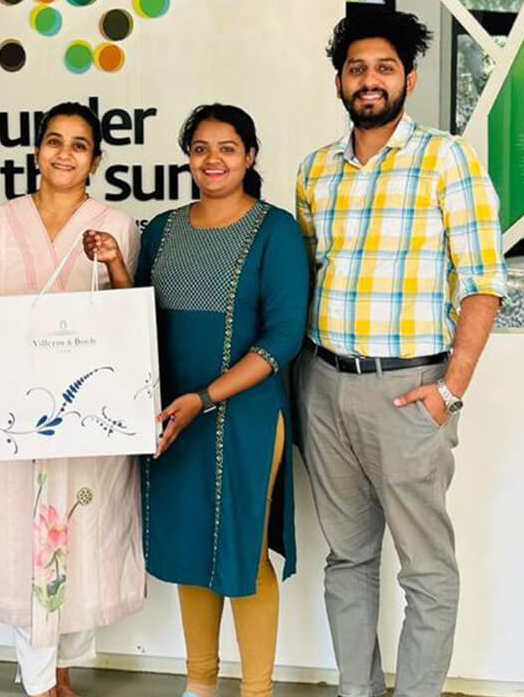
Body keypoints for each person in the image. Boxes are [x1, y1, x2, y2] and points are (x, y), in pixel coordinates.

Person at [296, 10, 508, 697]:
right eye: (357, 68)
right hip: (324, 387)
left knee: (426, 569)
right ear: (339, 81)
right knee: (347, 558)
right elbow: (308, 275)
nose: (370, 80)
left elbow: (483, 283)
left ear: (408, 80)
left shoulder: (447, 159)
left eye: (384, 68)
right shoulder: (316, 171)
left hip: (410, 390)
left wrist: (451, 391)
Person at [0, 102, 143, 697]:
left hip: (87, 421)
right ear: (36, 152)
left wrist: (113, 262)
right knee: (21, 536)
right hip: (16, 414)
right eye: (54, 141)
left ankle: (60, 671)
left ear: (96, 160)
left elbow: (130, 320)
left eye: (79, 144)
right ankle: (38, 681)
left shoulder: (116, 225)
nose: (65, 153)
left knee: (81, 536)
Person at [139, 104, 310, 697]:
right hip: (172, 413)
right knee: (191, 542)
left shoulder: (275, 230)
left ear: (250, 156)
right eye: (201, 148)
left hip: (247, 414)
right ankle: (200, 685)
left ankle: (257, 690)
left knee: (244, 549)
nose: (213, 160)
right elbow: (136, 317)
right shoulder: (161, 230)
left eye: (228, 148)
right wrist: (111, 263)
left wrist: (205, 398)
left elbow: (283, 338)